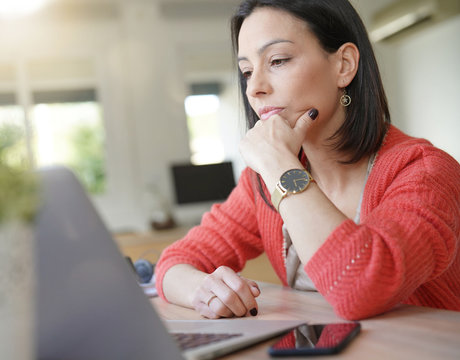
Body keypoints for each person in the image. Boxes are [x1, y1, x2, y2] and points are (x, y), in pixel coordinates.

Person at [155, 0, 460, 320]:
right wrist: (203, 290)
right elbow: (174, 262)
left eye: (278, 60)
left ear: (343, 65)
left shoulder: (425, 172)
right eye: (247, 71)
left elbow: (360, 288)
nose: (254, 88)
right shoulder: (259, 183)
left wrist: (279, 166)